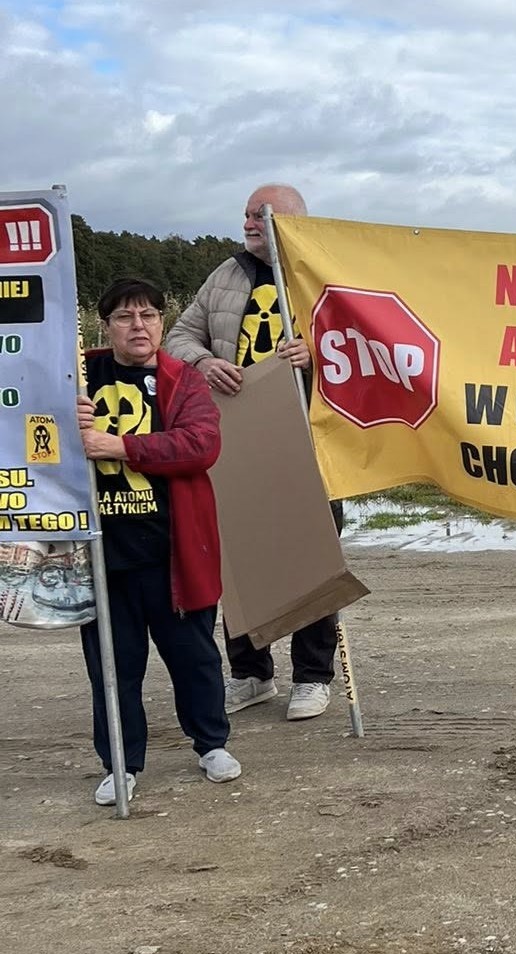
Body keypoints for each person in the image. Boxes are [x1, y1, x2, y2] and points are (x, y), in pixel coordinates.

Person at [163, 183, 341, 722]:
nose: (248, 223)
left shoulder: (325, 277)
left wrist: (315, 354)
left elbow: (364, 350)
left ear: (292, 223)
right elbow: (178, 338)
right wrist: (203, 363)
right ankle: (251, 673)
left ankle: (312, 677)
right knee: (238, 557)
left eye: (260, 216)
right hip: (237, 439)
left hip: (311, 440)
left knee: (312, 555)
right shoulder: (226, 275)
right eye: (245, 214)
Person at [78, 277, 241, 805]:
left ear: (162, 323)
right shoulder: (78, 373)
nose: (138, 326)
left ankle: (211, 744)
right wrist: (63, 423)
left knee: (194, 658)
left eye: (148, 315)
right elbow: (35, 435)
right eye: (125, 317)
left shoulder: (182, 380)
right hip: (102, 555)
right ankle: (120, 763)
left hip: (173, 552)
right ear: (105, 325)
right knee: (112, 667)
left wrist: (119, 447)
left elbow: (201, 444)